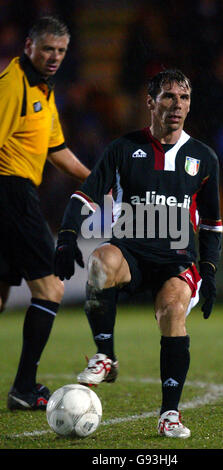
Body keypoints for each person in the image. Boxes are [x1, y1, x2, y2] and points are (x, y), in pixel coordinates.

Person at [54, 69, 223, 438]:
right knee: (100, 261)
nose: (177, 105)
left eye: (184, 98)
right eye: (168, 96)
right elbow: (84, 194)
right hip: (130, 251)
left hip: (177, 260)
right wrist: (67, 234)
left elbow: (211, 223)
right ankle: (105, 356)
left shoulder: (203, 157)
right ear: (150, 102)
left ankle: (170, 415)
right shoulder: (122, 149)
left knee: (173, 309)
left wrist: (208, 271)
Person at [0, 16, 90, 410]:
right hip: (10, 190)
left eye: (61, 51)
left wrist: (98, 179)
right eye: (48, 49)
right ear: (28, 46)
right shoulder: (11, 86)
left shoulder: (43, 90)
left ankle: (22, 387)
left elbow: (57, 152)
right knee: (51, 288)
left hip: (16, 191)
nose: (54, 57)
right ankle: (24, 387)